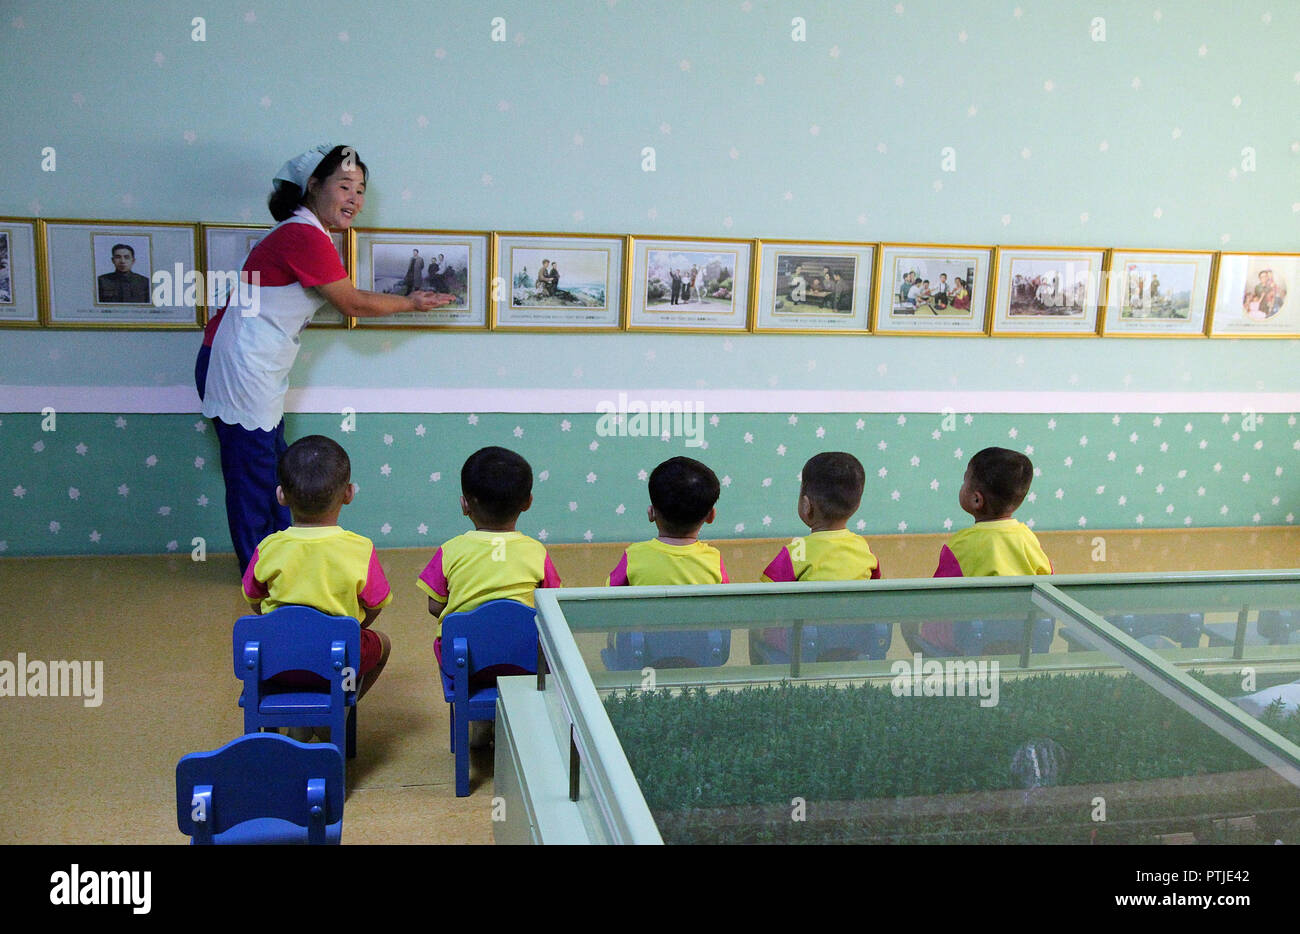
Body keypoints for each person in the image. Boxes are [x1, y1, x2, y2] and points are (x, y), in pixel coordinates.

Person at [195, 144, 454, 575]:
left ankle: (284, 561)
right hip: (241, 368)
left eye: (361, 189)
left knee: (277, 473)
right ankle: (262, 575)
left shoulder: (308, 235)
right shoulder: (301, 234)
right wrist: (411, 303)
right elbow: (351, 302)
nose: (354, 198)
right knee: (256, 478)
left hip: (252, 365)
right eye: (344, 186)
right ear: (313, 186)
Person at [240, 435, 392, 737]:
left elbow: (253, 599)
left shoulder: (268, 547)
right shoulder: (360, 548)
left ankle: (299, 720)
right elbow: (375, 604)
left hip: (276, 660)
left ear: (281, 495)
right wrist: (352, 627)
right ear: (349, 493)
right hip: (336, 658)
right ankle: (339, 707)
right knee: (383, 643)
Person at [418, 446, 561, 691]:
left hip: (465, 663)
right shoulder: (536, 552)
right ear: (528, 502)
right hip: (525, 662)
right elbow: (552, 605)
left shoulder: (450, 550)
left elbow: (435, 606)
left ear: (464, 505)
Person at [920, 447, 1052, 652]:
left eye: (965, 481)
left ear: (976, 500)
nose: (962, 486)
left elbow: (938, 599)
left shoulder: (959, 545)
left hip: (968, 638)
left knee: (919, 623)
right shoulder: (1028, 539)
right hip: (1021, 637)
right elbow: (1048, 580)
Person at [758, 452, 880, 652]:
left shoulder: (796, 551)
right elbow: (876, 595)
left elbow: (763, 599)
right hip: (854, 642)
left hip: (803, 645)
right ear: (857, 505)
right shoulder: (864, 549)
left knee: (760, 632)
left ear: (806, 506)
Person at [607, 456, 729, 586]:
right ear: (711, 516)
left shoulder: (633, 556)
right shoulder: (713, 559)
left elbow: (608, 595)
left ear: (651, 513)